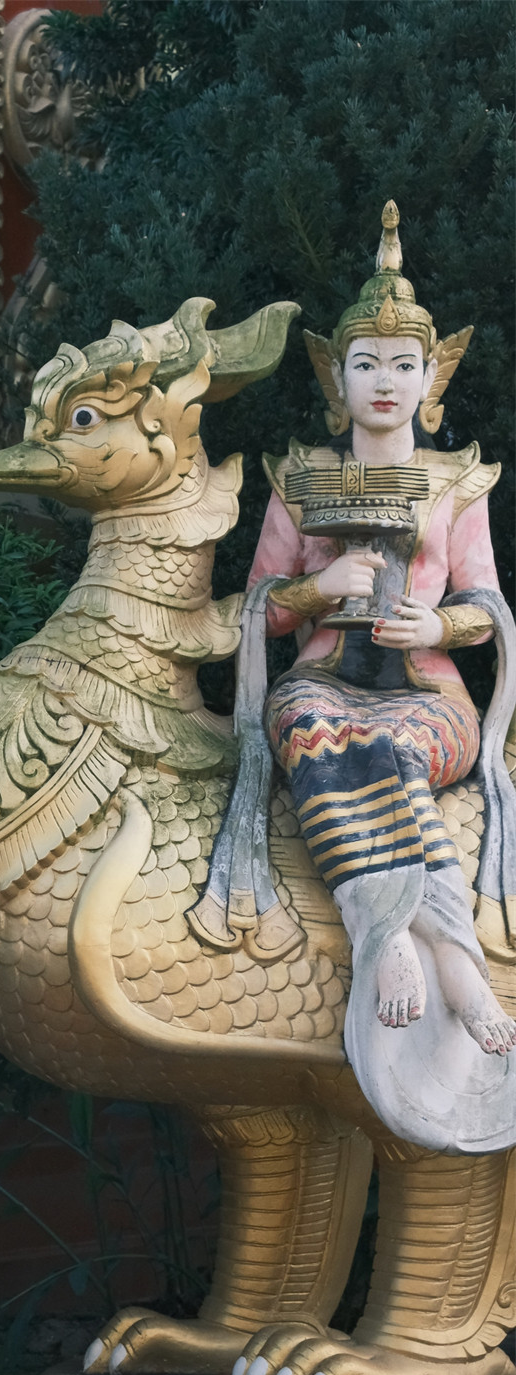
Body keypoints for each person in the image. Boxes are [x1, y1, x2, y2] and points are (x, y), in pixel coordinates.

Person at [191, 203, 515, 1152]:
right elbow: (256, 610)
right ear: (336, 377)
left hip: (426, 696)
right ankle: (406, 937)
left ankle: (434, 946)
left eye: (403, 364)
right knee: (310, 722)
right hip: (324, 684)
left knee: (389, 742)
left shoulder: (456, 484)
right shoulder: (299, 481)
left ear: (431, 377)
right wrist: (315, 588)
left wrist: (439, 622)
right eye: (365, 363)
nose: (384, 381)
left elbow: (489, 605)